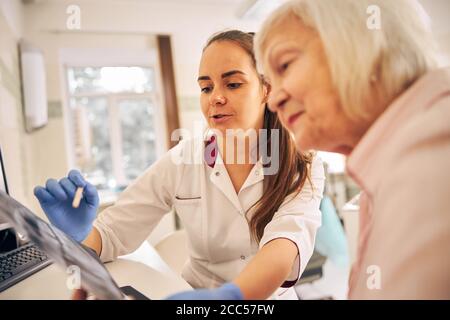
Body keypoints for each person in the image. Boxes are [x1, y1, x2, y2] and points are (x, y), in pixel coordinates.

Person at [34, 30, 325, 300]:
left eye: (233, 84)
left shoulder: (302, 164)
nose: (216, 98)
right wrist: (80, 236)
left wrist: (229, 298)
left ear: (266, 90)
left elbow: (283, 246)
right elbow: (113, 234)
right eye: (206, 87)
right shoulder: (183, 160)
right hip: (192, 294)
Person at [255, 0, 450, 299]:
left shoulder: (433, 148)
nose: (273, 100)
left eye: (285, 65)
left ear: (362, 44)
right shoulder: (390, 162)